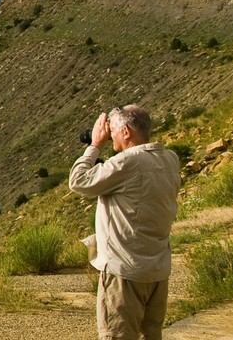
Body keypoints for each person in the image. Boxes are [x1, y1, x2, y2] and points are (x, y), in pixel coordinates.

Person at [69, 105, 181, 340]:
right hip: (157, 272)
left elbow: (78, 181)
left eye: (114, 133)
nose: (112, 138)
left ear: (127, 132)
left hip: (125, 273)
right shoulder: (170, 159)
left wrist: (95, 145)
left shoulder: (126, 163)